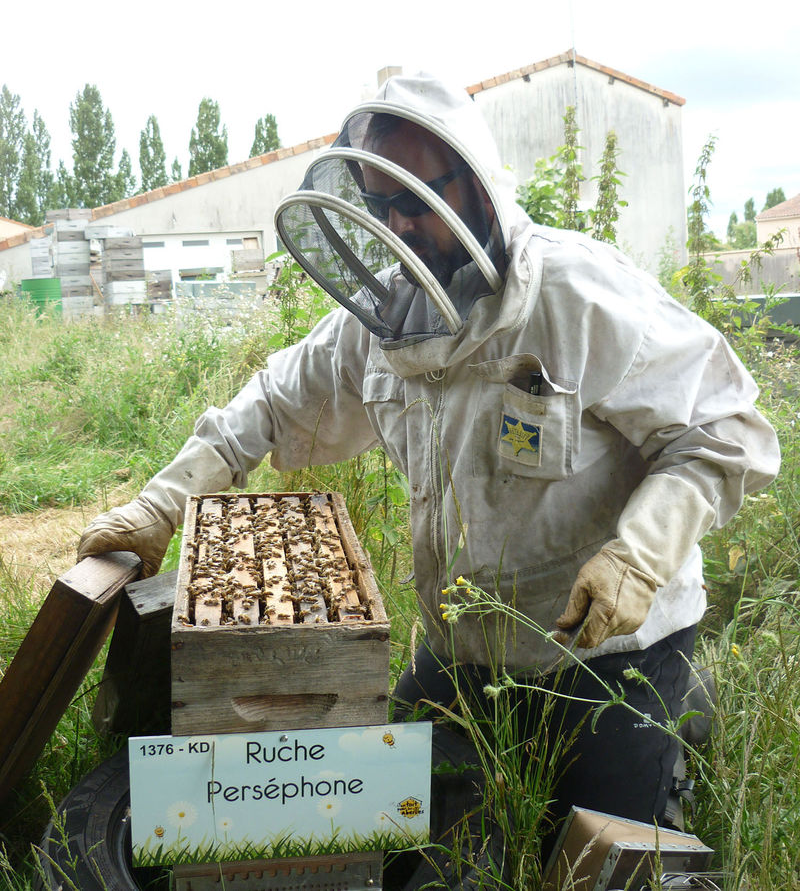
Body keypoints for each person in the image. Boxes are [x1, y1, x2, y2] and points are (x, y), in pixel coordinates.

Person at [79, 73, 780, 841]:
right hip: (469, 654)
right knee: (377, 807)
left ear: (473, 190)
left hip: (608, 658)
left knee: (591, 848)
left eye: (414, 202)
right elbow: (270, 404)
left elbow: (727, 430)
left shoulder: (579, 296)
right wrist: (159, 507)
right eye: (382, 206)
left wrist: (640, 557)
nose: (399, 226)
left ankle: (676, 715)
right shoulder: (383, 320)